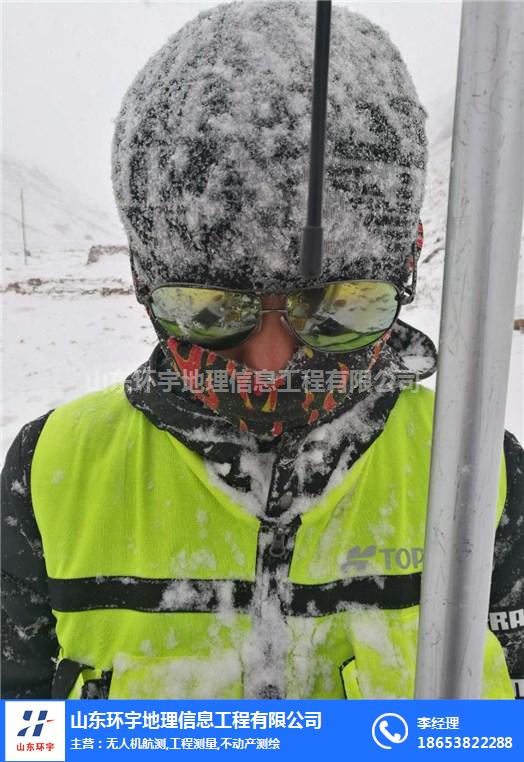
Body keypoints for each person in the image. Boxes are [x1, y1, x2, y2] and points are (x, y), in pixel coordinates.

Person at [2, 0, 523, 700]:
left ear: (407, 271)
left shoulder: (480, 477)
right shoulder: (50, 476)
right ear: (142, 281)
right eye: (210, 309)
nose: (273, 362)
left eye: (340, 306)